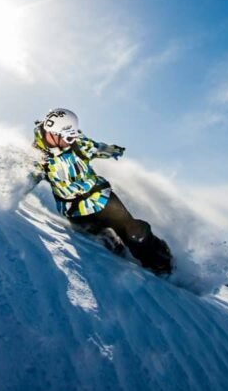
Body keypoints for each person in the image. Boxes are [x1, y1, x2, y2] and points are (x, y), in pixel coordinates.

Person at [31, 108, 173, 275]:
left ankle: (162, 263)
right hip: (77, 213)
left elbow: (97, 148)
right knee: (104, 241)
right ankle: (121, 256)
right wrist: (15, 186)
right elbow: (28, 176)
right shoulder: (39, 158)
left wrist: (111, 150)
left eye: (73, 136)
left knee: (133, 231)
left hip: (103, 200)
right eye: (68, 137)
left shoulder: (78, 145)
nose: (71, 141)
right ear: (54, 134)